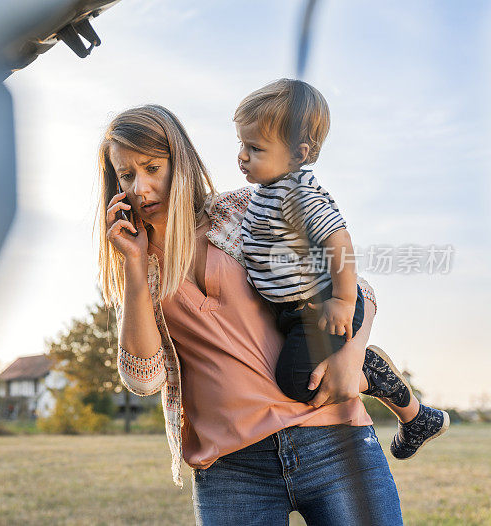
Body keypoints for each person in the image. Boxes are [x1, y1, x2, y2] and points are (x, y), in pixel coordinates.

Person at [97, 104, 409, 524]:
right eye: (127, 174)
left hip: (334, 440)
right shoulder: (135, 266)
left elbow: (356, 288)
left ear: (180, 162)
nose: (140, 187)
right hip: (233, 470)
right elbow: (143, 379)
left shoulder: (244, 210)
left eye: (152, 167)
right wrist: (135, 270)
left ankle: (382, 380)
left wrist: (352, 358)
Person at [234, 78, 449, 459]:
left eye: (255, 148)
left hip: (321, 309)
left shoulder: (297, 193)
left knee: (300, 384)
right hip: (298, 311)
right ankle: (414, 415)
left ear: (297, 154)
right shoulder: (271, 189)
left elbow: (340, 241)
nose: (242, 156)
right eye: (241, 144)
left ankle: (372, 372)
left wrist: (344, 300)